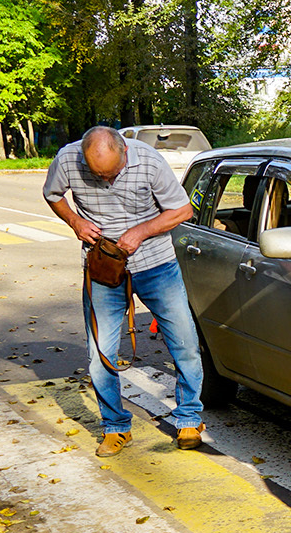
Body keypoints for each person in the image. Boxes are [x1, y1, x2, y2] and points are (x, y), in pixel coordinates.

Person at [44, 126, 205, 456]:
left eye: (112, 173)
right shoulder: (67, 159)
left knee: (185, 341)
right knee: (99, 352)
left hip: (156, 264)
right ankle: (116, 427)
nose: (105, 180)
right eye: (97, 174)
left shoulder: (148, 160)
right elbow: (53, 194)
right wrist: (75, 222)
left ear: (125, 153)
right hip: (103, 266)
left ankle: (189, 418)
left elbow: (183, 210)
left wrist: (142, 231)